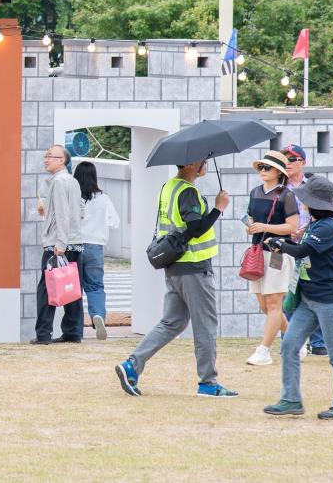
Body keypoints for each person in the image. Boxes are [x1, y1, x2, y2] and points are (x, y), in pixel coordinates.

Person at [115, 159, 236, 398]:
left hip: (175, 267)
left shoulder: (169, 186)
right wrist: (218, 208)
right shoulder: (188, 192)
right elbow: (195, 228)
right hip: (193, 267)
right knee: (205, 325)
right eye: (204, 161)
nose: (206, 165)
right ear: (192, 164)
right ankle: (208, 383)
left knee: (173, 322)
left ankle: (132, 365)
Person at [262, 176, 333, 420]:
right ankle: (291, 399)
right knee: (290, 345)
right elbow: (302, 247)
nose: (301, 203)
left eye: (305, 199)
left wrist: (279, 244)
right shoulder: (315, 225)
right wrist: (288, 241)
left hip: (330, 301)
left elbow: (303, 251)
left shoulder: (327, 227)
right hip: (309, 299)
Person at [244, 151, 300, 367]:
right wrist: (251, 226)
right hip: (257, 252)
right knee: (265, 306)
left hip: (278, 253)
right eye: (261, 167)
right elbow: (250, 217)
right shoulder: (255, 192)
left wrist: (265, 227)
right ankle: (296, 342)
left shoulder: (286, 195)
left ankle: (264, 350)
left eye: (267, 168)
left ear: (279, 172)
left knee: (274, 303)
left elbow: (292, 227)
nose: (263, 171)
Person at [32, 145, 85, 345]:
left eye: (50, 156)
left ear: (62, 160)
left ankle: (43, 334)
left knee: (47, 288)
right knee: (72, 286)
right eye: (46, 156)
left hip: (58, 243)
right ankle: (73, 331)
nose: (46, 159)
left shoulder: (58, 182)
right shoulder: (72, 180)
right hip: (75, 241)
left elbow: (62, 213)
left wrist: (60, 242)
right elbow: (80, 209)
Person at [282, 144, 326, 356]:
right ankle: (291, 340)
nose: (288, 163)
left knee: (314, 289)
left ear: (303, 162)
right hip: (288, 244)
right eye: (285, 159)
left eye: (293, 159)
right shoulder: (280, 186)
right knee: (289, 292)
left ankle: (318, 342)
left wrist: (306, 229)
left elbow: (325, 212)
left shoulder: (314, 185)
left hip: (312, 242)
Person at [73, 161, 118, 340]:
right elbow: (115, 222)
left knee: (74, 288)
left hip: (75, 246)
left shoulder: (74, 197)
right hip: (95, 247)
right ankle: (98, 315)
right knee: (95, 286)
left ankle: (75, 328)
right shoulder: (103, 198)